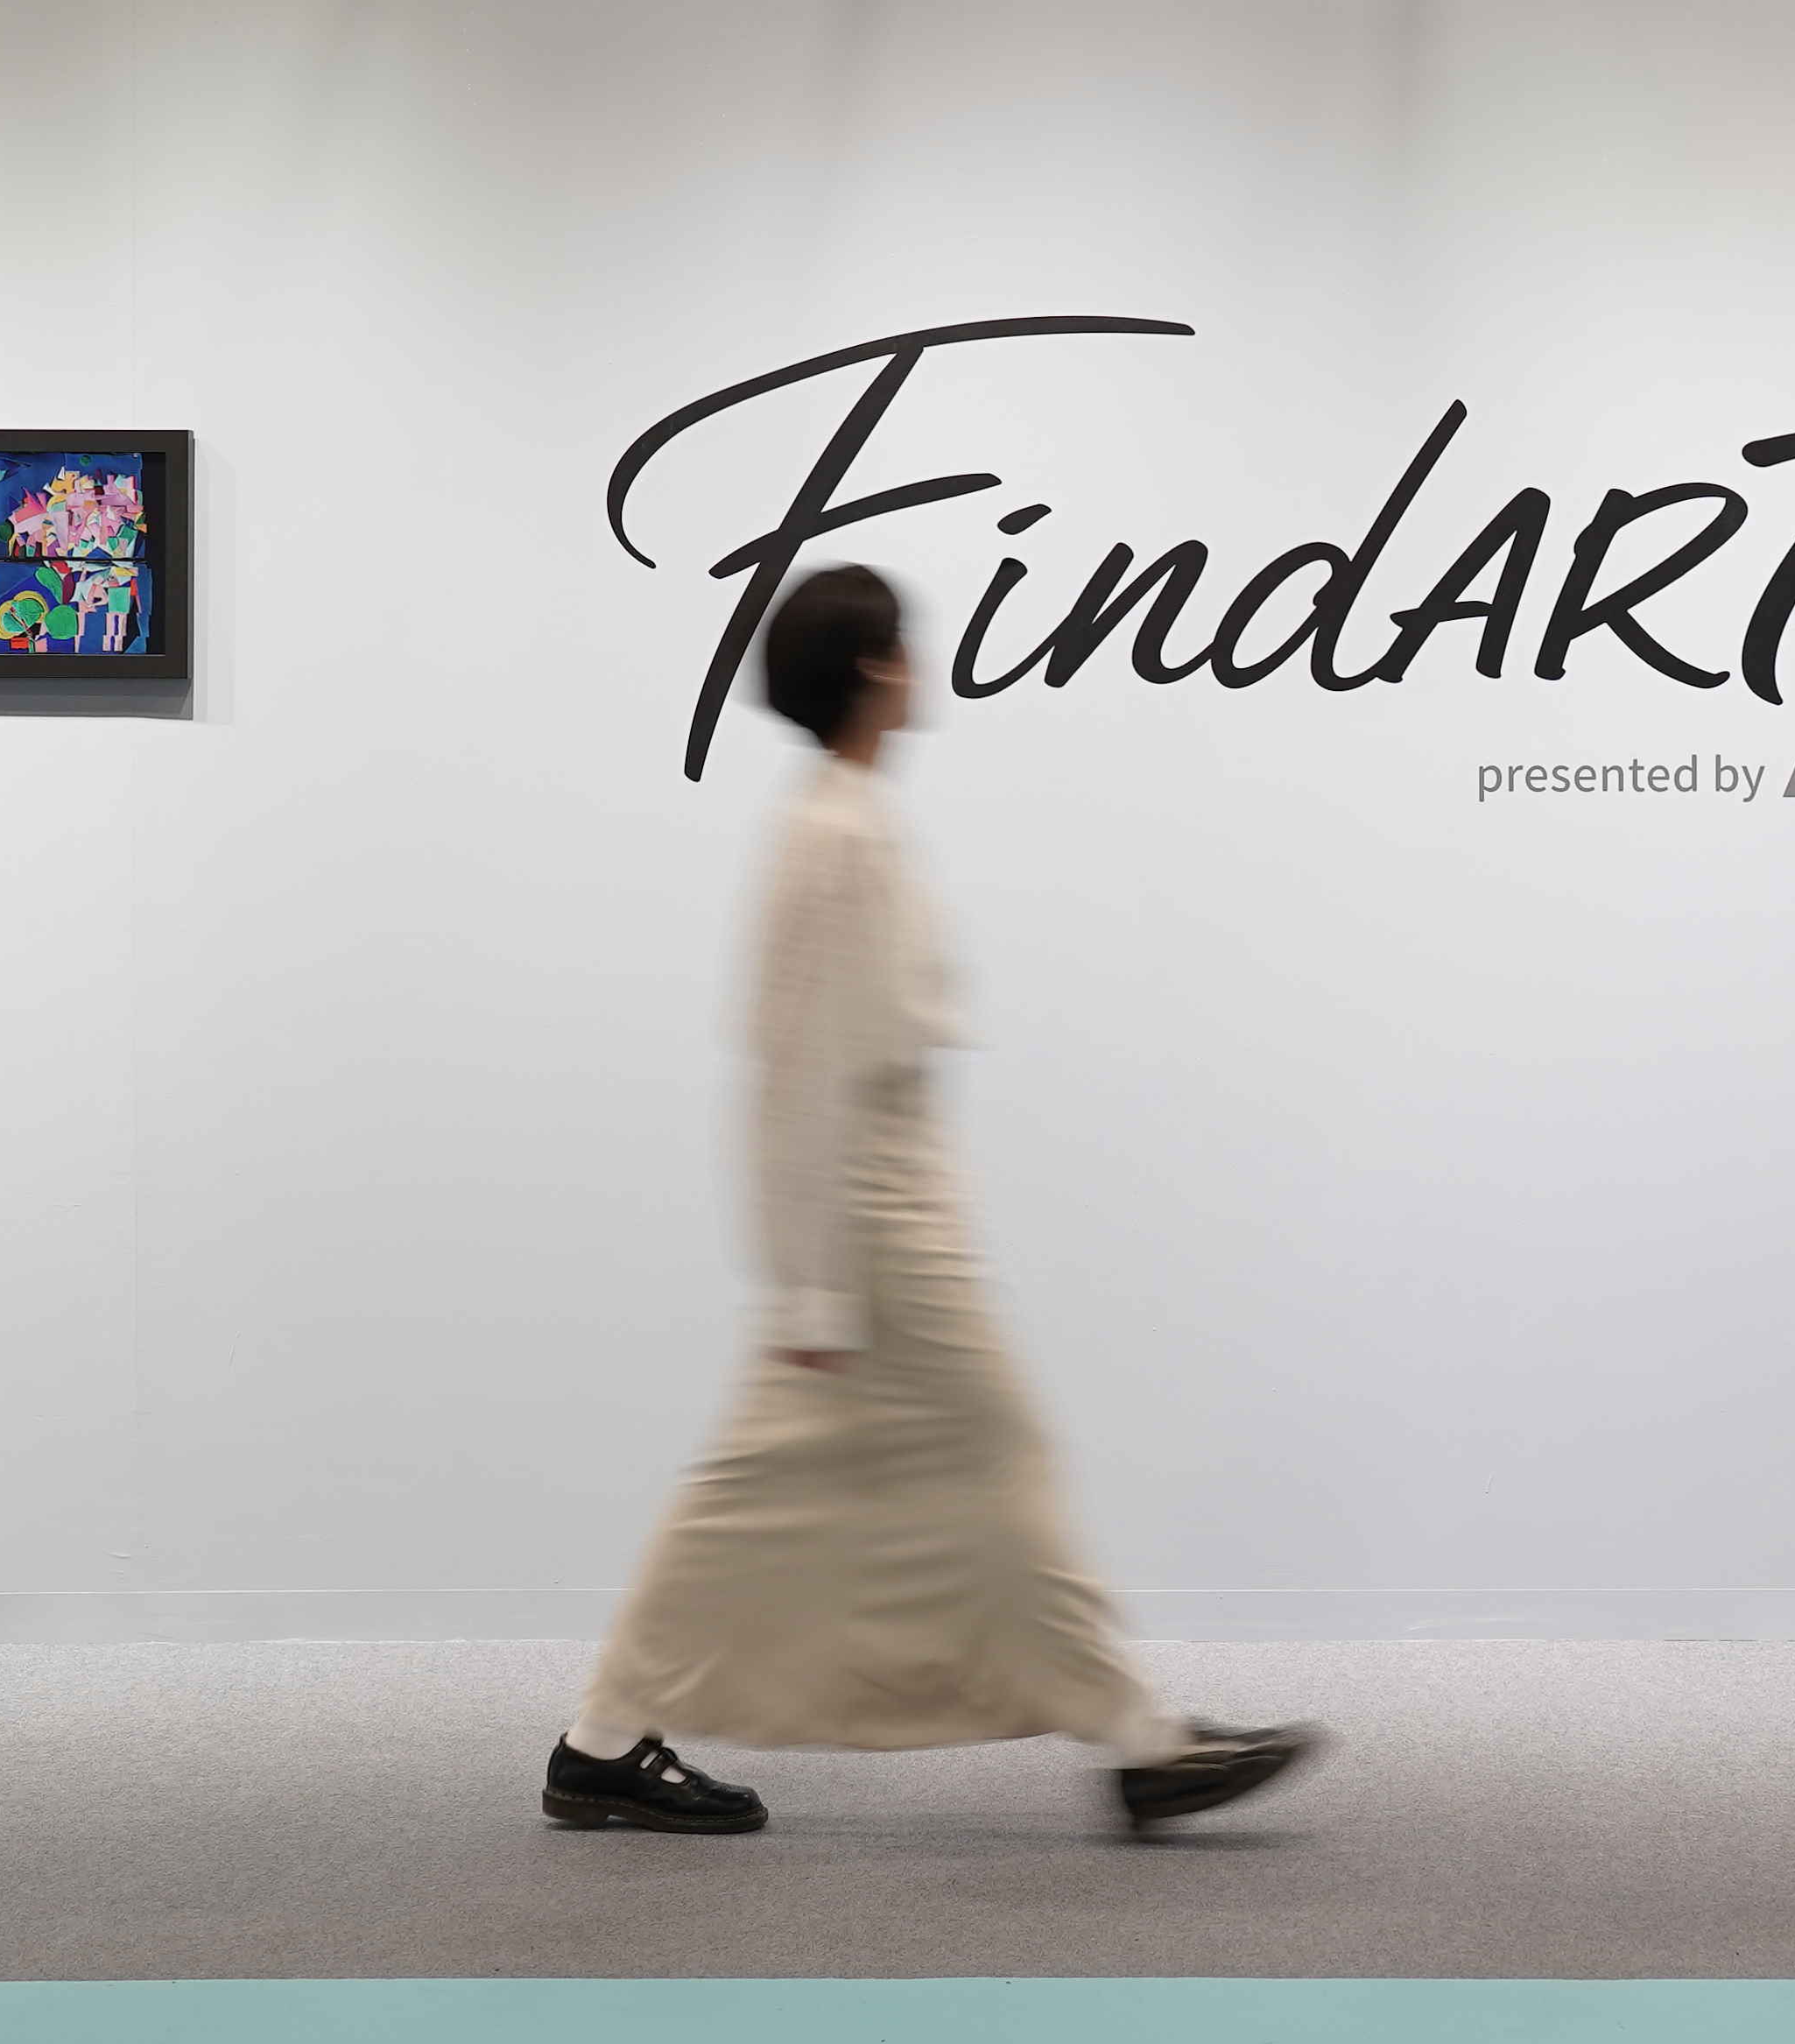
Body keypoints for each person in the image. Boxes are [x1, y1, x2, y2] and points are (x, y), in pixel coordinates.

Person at [546, 563, 1322, 1841]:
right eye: (904, 645)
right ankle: (1141, 1743)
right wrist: (812, 1284)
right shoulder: (835, 836)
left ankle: (601, 1743)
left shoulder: (846, 821)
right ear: (872, 669)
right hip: (875, 1228)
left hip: (882, 1215)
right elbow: (796, 1071)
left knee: (765, 1483)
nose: (922, 664)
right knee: (986, 1461)